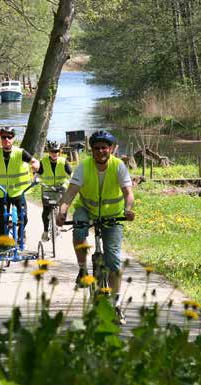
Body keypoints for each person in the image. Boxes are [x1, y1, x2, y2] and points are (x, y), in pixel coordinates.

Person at [56, 130, 135, 324]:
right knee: (79, 230)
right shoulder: (84, 167)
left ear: (111, 149)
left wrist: (128, 209)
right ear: (91, 150)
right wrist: (62, 211)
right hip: (87, 209)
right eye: (97, 148)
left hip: (113, 215)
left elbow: (128, 193)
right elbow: (71, 192)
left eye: (104, 148)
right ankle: (83, 269)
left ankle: (116, 305)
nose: (101, 151)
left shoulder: (119, 166)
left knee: (114, 261)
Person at [0, 126, 39, 248]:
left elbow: (35, 161)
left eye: (10, 137)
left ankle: (20, 235)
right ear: (1, 139)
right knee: (3, 219)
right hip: (2, 192)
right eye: (4, 137)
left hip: (18, 191)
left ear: (13, 139)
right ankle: (3, 246)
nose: (7, 139)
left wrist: (35, 166)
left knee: (23, 217)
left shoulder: (20, 152)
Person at [38, 140, 72, 242]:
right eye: (52, 151)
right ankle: (45, 231)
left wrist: (73, 183)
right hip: (47, 189)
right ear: (49, 152)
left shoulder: (63, 161)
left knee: (63, 208)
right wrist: (36, 180)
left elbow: (71, 174)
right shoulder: (43, 162)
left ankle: (60, 226)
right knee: (46, 210)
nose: (55, 154)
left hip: (60, 189)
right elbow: (38, 174)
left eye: (56, 151)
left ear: (59, 151)